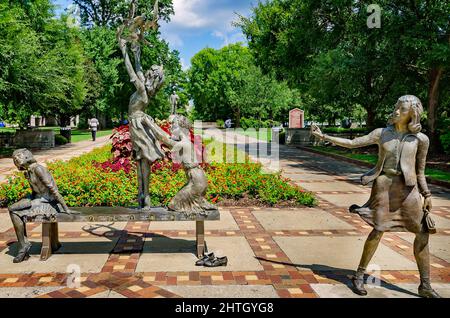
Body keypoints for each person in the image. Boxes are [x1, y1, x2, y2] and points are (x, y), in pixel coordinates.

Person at [311, 95, 440, 298]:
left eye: (403, 109)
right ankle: (359, 275)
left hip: (410, 192)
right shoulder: (382, 133)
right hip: (384, 188)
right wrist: (324, 137)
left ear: (413, 114)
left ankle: (425, 285)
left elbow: (421, 171)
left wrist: (427, 194)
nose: (397, 111)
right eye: (396, 107)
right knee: (378, 230)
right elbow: (353, 143)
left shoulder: (421, 139)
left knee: (422, 233)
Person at [117, 15, 165, 209]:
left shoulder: (141, 90)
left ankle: (145, 196)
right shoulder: (144, 90)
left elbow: (131, 71)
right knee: (140, 160)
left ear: (151, 77)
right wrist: (135, 51)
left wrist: (123, 50)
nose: (145, 72)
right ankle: (143, 195)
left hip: (138, 125)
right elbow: (137, 68)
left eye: (149, 72)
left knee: (143, 160)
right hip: (138, 124)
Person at [8, 149, 75, 263]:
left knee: (13, 210)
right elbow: (35, 190)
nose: (16, 161)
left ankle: (24, 246)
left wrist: (66, 209)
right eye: (15, 160)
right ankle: (24, 245)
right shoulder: (29, 171)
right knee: (13, 209)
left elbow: (53, 189)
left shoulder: (38, 169)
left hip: (47, 202)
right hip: (37, 198)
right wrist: (28, 199)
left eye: (17, 158)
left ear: (25, 157)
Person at [143, 115, 218, 216]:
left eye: (173, 125)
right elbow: (166, 136)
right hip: (196, 179)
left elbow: (163, 138)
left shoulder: (184, 143)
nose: (170, 127)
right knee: (176, 204)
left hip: (197, 182)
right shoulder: (183, 141)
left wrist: (148, 123)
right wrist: (153, 124)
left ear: (181, 128)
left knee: (174, 205)